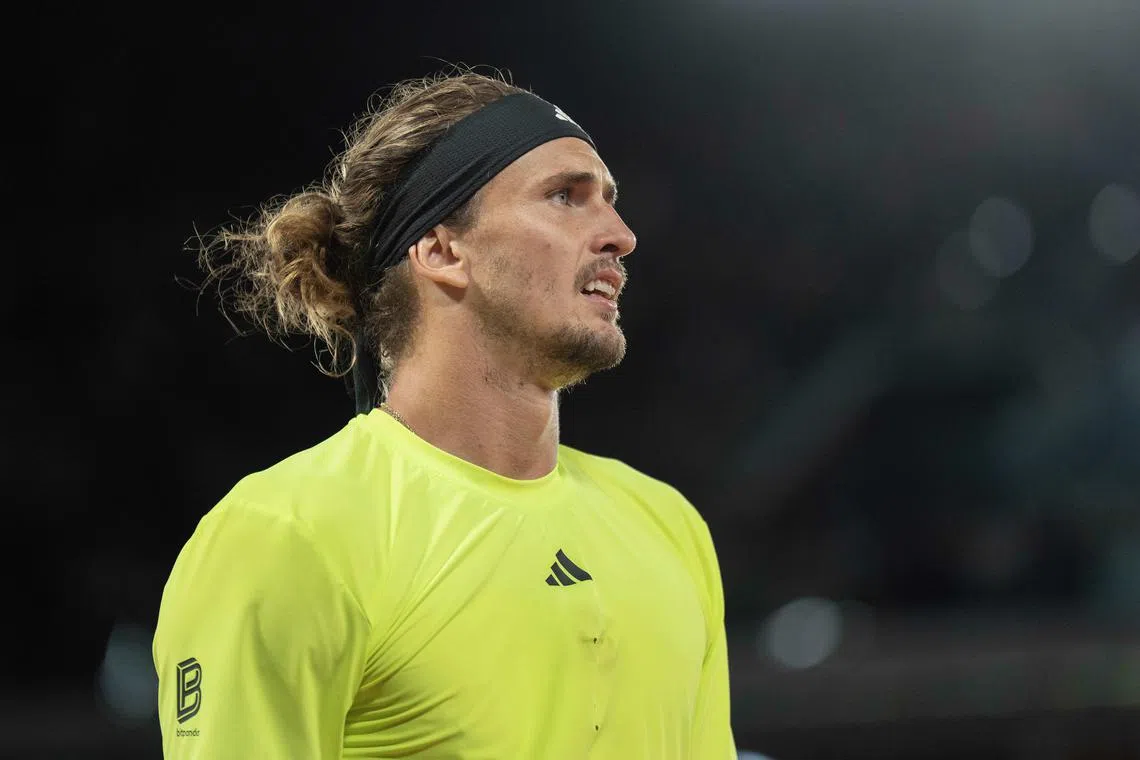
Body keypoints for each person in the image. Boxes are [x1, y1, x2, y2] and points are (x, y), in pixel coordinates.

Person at [153, 66, 735, 758]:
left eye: (608, 201)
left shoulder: (668, 525)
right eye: (565, 197)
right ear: (441, 249)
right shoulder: (288, 534)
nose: (621, 235)